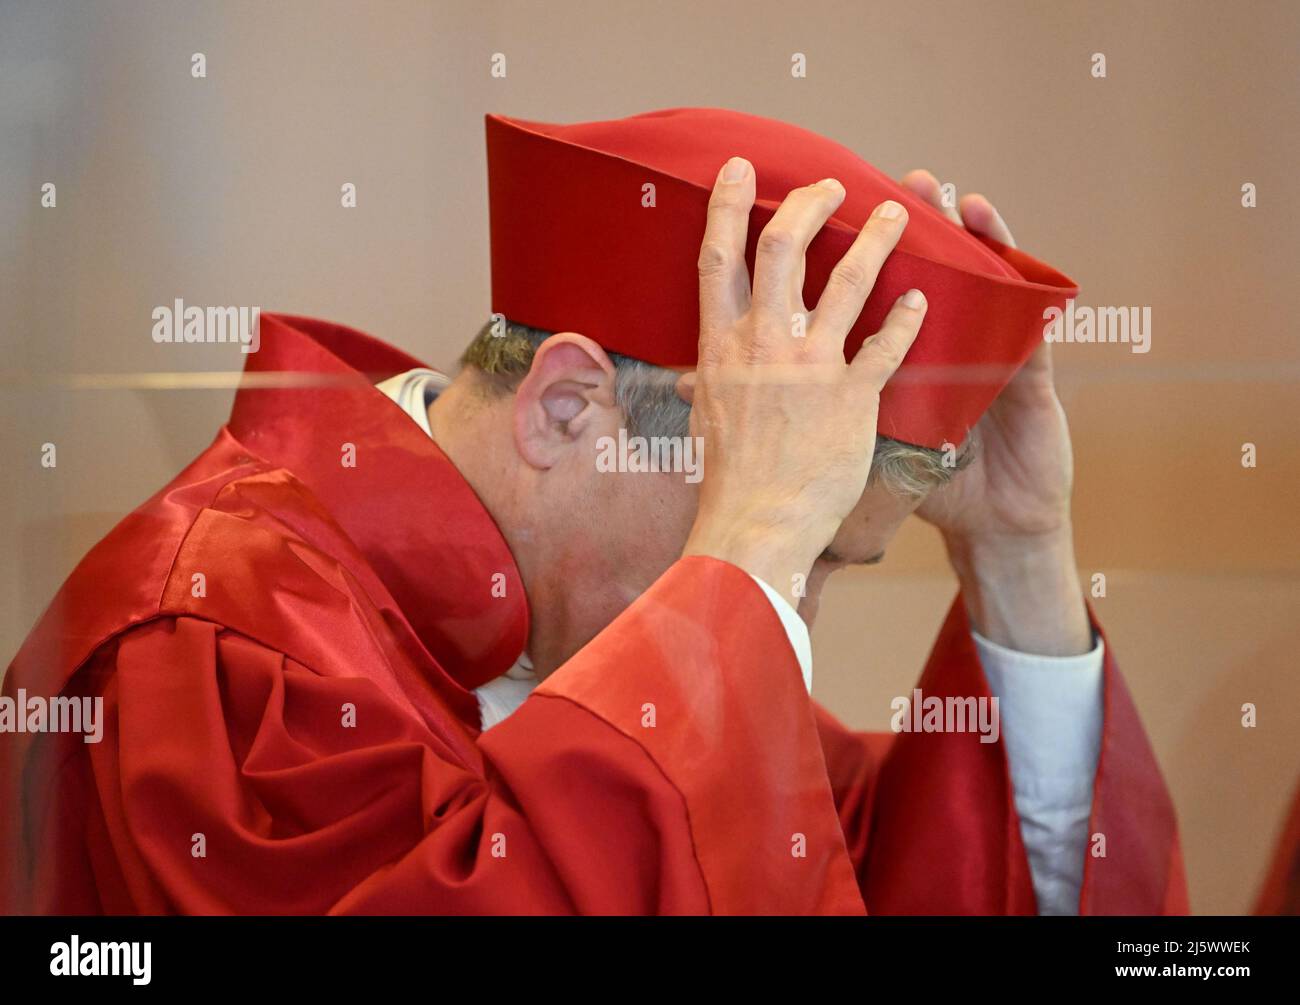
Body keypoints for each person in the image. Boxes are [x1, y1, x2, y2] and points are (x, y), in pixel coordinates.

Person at [0, 108, 1185, 915]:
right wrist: (752, 548)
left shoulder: (640, 659)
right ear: (569, 407)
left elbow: (896, 881)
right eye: (787, 534)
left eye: (825, 560)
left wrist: (1020, 555)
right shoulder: (212, 645)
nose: (791, 617)